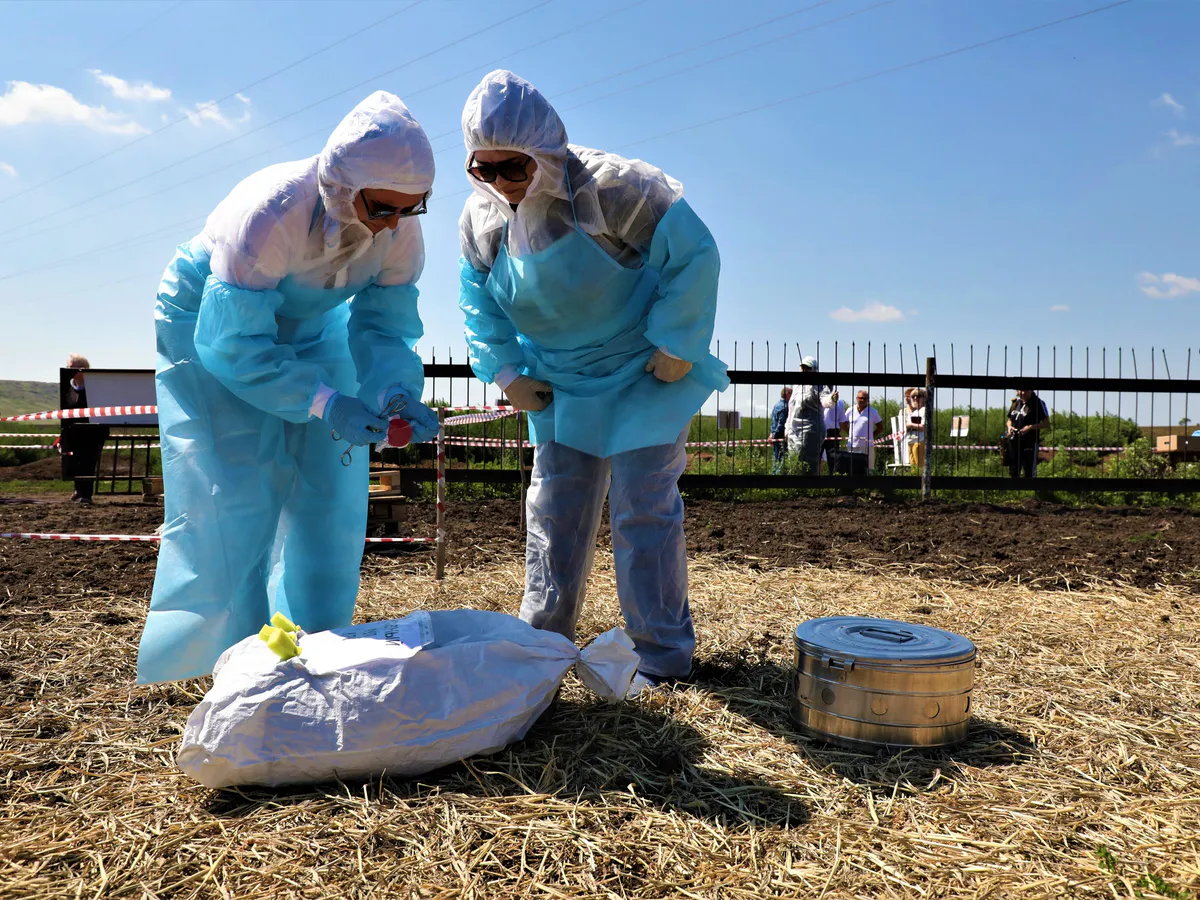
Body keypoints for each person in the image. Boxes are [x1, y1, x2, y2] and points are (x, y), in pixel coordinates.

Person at [137, 92, 440, 684]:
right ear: (340, 186)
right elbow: (234, 346)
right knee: (232, 492)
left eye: (412, 208)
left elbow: (385, 327)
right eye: (382, 207)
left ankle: (312, 650)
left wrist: (395, 393)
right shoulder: (271, 211)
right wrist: (325, 401)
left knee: (332, 492)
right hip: (212, 321)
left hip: (311, 322)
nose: (393, 223)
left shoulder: (398, 229)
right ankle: (216, 667)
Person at [456, 70, 728, 694]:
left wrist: (678, 343)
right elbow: (477, 302)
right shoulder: (481, 221)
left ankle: (660, 658)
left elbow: (694, 254)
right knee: (554, 511)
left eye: (513, 166)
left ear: (544, 151)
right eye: (483, 169)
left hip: (643, 373)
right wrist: (505, 371)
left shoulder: (614, 188)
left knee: (644, 509)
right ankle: (542, 646)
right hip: (562, 383)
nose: (500, 182)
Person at [59, 354, 109, 505]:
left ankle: (86, 494)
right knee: (74, 462)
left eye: (72, 367)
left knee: (88, 462)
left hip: (93, 433)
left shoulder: (95, 388)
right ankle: (78, 490)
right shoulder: (68, 388)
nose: (69, 370)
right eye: (68, 367)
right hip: (73, 432)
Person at [786, 356, 824, 475]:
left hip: (810, 430)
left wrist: (832, 400)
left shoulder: (817, 385)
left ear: (814, 369)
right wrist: (787, 428)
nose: (804, 370)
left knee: (808, 464)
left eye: (808, 368)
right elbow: (791, 408)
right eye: (802, 367)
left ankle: (809, 485)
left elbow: (825, 400)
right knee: (794, 461)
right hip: (794, 430)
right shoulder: (796, 385)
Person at [1006, 388, 1049, 478]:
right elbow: (1009, 420)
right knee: (1013, 471)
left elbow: (1046, 424)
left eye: (1025, 390)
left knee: (1028, 472)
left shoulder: (1038, 403)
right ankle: (1013, 487)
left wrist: (1030, 427)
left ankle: (1029, 487)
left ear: (1031, 391)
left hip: (1030, 442)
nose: (1022, 392)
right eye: (1020, 390)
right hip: (1014, 442)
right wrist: (1009, 427)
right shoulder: (1015, 403)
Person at [839, 390, 883, 475]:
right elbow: (843, 424)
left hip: (867, 446)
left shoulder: (873, 411)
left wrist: (871, 436)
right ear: (856, 398)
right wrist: (851, 434)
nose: (862, 400)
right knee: (852, 469)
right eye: (860, 398)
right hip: (852, 445)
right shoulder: (850, 410)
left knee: (868, 470)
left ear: (868, 400)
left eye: (864, 398)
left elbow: (880, 427)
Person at [820, 387, 848, 475]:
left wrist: (837, 432)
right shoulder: (818, 400)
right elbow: (842, 422)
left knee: (833, 461)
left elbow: (842, 421)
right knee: (819, 459)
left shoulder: (839, 403)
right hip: (822, 431)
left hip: (830, 432)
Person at [903, 387, 927, 469]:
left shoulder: (924, 410)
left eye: (918, 396)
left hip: (919, 441)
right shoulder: (915, 412)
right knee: (913, 467)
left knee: (919, 467)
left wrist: (910, 425)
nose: (915, 398)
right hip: (910, 441)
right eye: (913, 397)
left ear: (924, 398)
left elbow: (923, 427)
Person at [770, 387, 792, 473]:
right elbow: (781, 424)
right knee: (782, 461)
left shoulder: (776, 405)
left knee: (776, 460)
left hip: (775, 437)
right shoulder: (785, 407)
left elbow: (773, 422)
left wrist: (772, 435)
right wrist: (775, 436)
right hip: (781, 437)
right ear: (787, 394)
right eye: (791, 393)